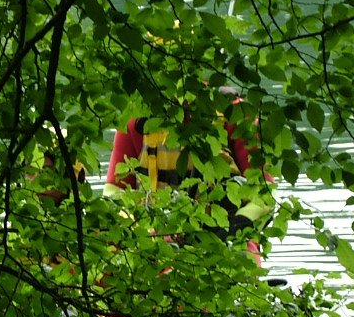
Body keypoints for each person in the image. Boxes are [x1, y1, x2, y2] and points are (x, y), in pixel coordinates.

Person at [104, 89, 273, 247]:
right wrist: (137, 231)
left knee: (245, 247)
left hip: (222, 240)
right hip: (153, 241)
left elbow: (265, 196)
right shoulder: (135, 117)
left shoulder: (235, 113)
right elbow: (113, 191)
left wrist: (236, 226)